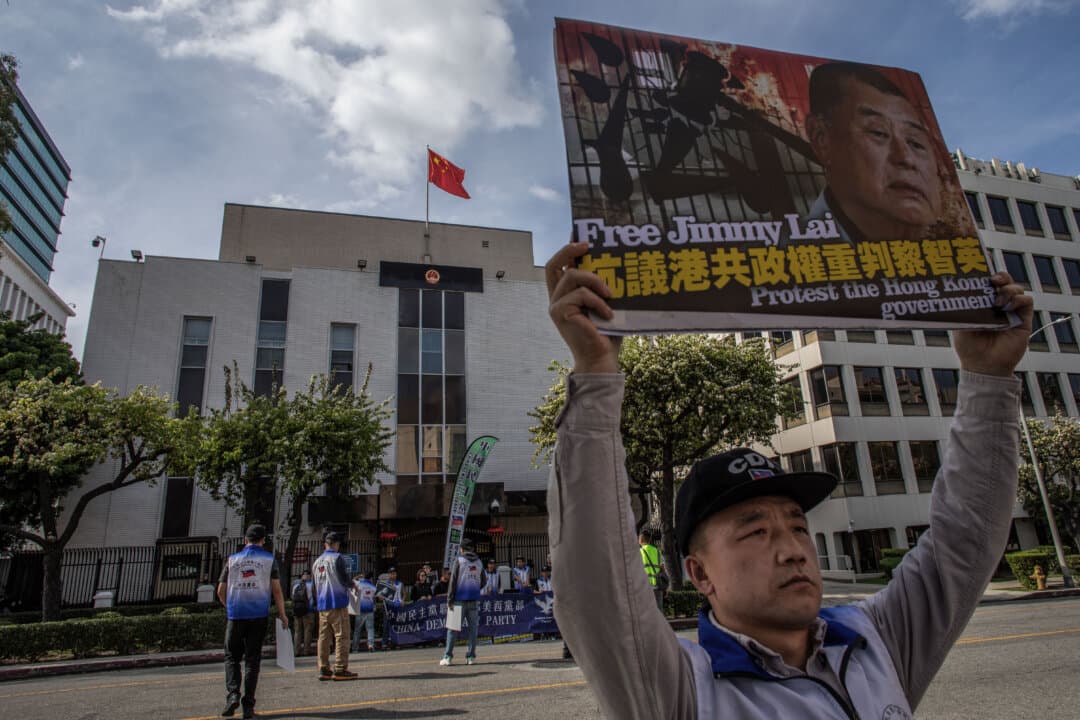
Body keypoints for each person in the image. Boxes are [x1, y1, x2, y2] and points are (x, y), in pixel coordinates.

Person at [544, 240, 1032, 719]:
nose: (793, 548)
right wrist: (594, 375)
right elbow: (595, 581)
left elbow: (963, 541)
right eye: (756, 531)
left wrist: (987, 378)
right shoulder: (681, 689)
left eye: (798, 526)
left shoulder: (877, 639)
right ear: (699, 574)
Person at [804, 62, 945, 245]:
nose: (906, 158)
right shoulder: (791, 259)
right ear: (821, 138)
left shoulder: (953, 262)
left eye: (915, 143)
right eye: (878, 133)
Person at [216, 524, 288, 719]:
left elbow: (220, 591)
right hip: (258, 615)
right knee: (252, 660)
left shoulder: (233, 560)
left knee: (231, 657)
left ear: (245, 540)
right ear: (263, 540)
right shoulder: (268, 560)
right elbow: (277, 590)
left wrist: (229, 606)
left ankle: (232, 695)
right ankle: (248, 705)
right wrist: (282, 614)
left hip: (235, 615)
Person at [312, 531, 357, 681]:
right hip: (337, 603)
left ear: (325, 544)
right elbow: (344, 578)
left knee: (323, 638)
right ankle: (340, 668)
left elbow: (313, 586)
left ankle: (323, 668)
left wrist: (315, 604)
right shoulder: (337, 558)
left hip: (322, 604)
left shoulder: (317, 562)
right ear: (337, 544)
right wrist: (353, 585)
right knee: (342, 636)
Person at [440, 538, 485, 666]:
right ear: (473, 549)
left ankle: (448, 657)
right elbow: (484, 581)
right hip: (474, 600)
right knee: (472, 630)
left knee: (452, 629)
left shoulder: (459, 561)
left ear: (462, 549)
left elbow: (453, 581)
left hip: (458, 600)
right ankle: (471, 657)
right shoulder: (479, 562)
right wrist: (475, 588)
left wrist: (449, 598)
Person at [290, 569, 315, 657]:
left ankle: (296, 651)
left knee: (297, 631)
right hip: (308, 611)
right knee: (307, 631)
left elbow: (292, 597)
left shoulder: (295, 585)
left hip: (297, 611)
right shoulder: (311, 585)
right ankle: (306, 650)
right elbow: (313, 597)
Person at [638, 531, 666, 611]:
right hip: (657, 585)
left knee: (646, 611)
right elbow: (662, 568)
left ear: (641, 539)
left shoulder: (639, 552)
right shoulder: (657, 551)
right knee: (659, 610)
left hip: (644, 586)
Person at [378, 566, 404, 650]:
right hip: (388, 607)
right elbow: (379, 595)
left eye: (394, 573)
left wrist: (403, 600)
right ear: (388, 575)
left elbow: (404, 593)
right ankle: (384, 643)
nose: (393, 575)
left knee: (397, 625)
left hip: (397, 606)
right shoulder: (385, 584)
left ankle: (396, 642)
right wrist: (380, 597)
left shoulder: (400, 584)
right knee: (386, 625)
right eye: (391, 574)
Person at [351, 571, 377, 653]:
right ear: (371, 578)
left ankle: (355, 648)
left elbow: (351, 581)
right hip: (370, 609)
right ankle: (370, 645)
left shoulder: (359, 584)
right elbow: (375, 597)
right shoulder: (373, 586)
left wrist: (357, 576)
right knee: (370, 629)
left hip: (360, 609)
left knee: (357, 630)